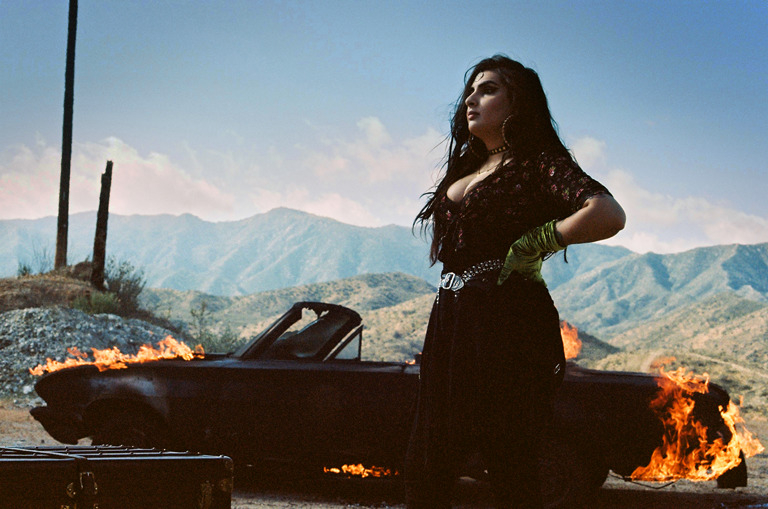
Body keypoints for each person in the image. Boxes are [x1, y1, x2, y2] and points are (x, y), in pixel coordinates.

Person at [405, 55, 626, 508]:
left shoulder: (538, 163)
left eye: (488, 89)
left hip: (507, 317)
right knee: (428, 455)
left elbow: (607, 213)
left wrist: (537, 242)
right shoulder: (468, 168)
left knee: (509, 455)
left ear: (517, 104)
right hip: (450, 319)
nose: (472, 98)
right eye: (470, 89)